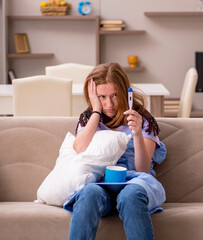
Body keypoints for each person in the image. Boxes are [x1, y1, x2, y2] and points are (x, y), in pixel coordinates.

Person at [63, 62, 167, 240]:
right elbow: (80, 148)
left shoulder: (143, 120)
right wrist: (96, 110)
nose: (108, 104)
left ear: (126, 93)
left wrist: (137, 134)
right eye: (102, 97)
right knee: (88, 193)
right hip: (100, 183)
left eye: (114, 96)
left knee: (131, 196)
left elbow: (142, 168)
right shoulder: (89, 119)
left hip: (136, 183)